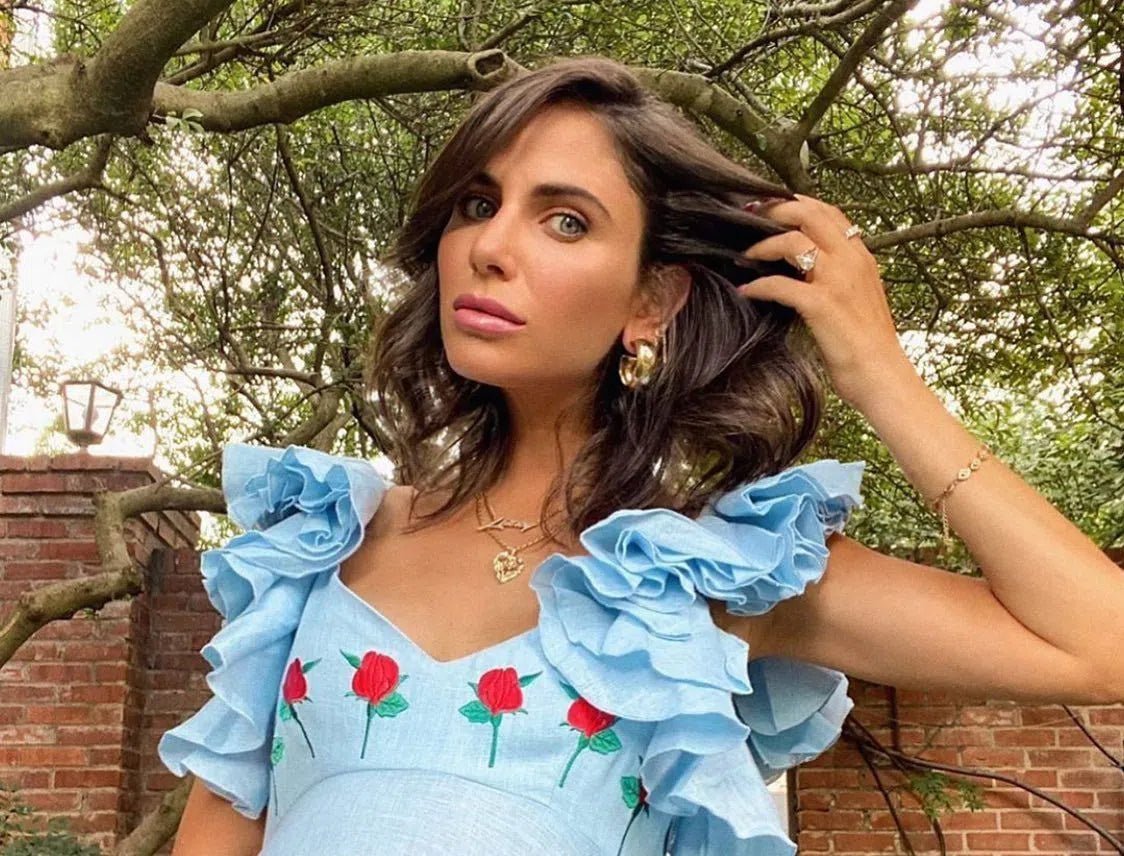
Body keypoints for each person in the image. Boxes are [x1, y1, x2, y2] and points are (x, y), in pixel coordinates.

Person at [158, 56, 1124, 855]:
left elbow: (1101, 644)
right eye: (476, 203)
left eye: (565, 219)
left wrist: (880, 372)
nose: (491, 245)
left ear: (649, 303)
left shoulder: (711, 581)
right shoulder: (317, 544)